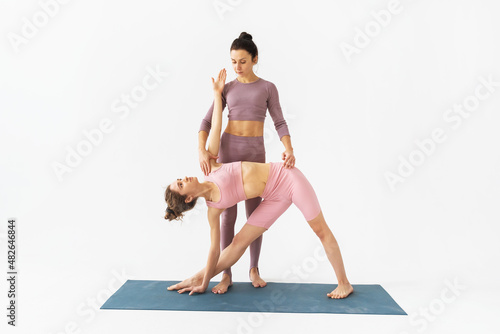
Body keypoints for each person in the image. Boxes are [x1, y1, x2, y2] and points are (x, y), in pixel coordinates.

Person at [164, 69, 353, 299]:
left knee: (320, 229)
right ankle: (197, 277)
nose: (184, 178)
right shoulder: (213, 212)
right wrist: (203, 282)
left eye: (180, 179)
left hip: (287, 179)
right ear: (188, 198)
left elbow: (216, 124)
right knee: (237, 244)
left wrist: (217, 95)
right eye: (181, 184)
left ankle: (344, 283)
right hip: (273, 198)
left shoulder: (212, 164)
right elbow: (215, 251)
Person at [198, 32, 295, 293]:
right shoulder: (227, 88)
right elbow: (206, 123)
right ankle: (225, 273)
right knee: (228, 213)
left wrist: (289, 148)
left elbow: (279, 122)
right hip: (228, 154)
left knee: (255, 213)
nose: (237, 67)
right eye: (233, 62)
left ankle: (253, 268)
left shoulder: (267, 88)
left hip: (255, 155)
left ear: (254, 59)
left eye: (242, 61)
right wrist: (201, 150)